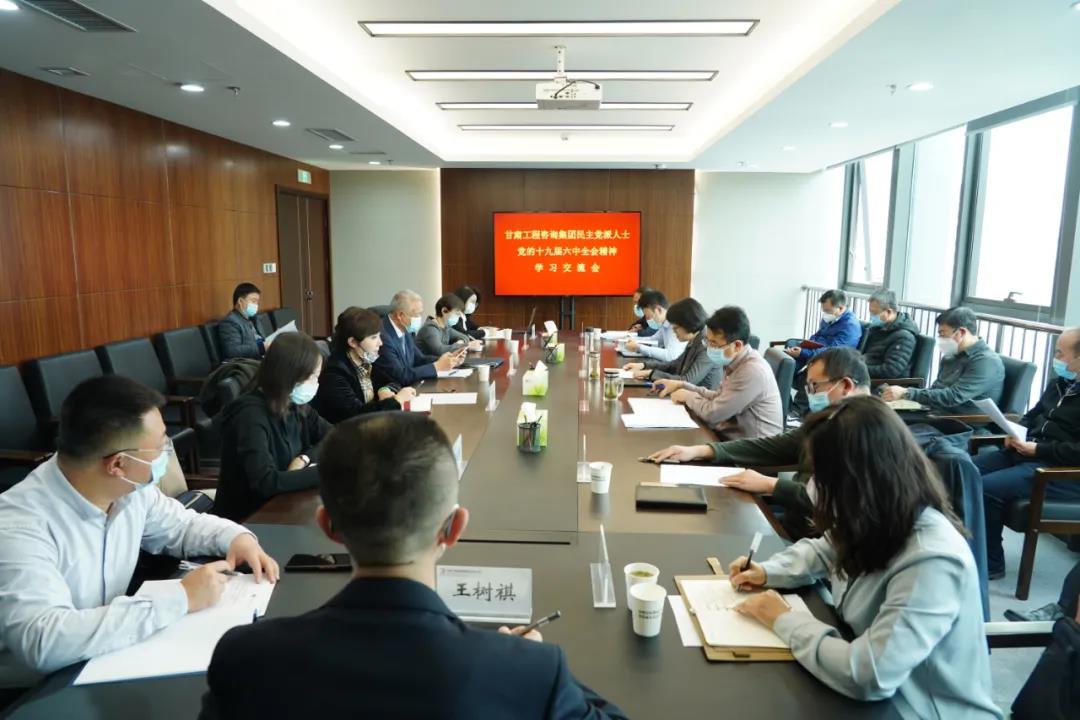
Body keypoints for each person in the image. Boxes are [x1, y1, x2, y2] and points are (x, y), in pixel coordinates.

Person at [200, 412, 627, 720]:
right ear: (454, 528)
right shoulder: (529, 672)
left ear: (328, 526)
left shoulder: (245, 658)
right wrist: (528, 662)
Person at [727, 396, 1000, 719]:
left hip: (917, 708)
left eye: (824, 476)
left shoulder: (932, 558)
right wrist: (768, 571)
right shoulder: (875, 514)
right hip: (866, 684)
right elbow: (824, 549)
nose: (814, 487)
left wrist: (782, 619)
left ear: (862, 478)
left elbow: (871, 675)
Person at [0, 376, 277, 689]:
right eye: (159, 447)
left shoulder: (130, 490)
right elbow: (43, 640)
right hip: (36, 691)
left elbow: (182, 526)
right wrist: (181, 598)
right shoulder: (19, 526)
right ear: (118, 464)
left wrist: (236, 537)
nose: (166, 453)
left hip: (107, 657)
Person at [648, 347, 871, 539]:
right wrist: (704, 450)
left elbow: (832, 503)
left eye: (814, 387)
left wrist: (770, 485)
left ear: (845, 386)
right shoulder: (830, 419)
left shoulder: (868, 435)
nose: (810, 395)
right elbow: (774, 446)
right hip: (794, 524)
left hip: (816, 542)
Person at [976, 327, 1080, 580]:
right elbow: (1032, 415)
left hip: (1059, 471)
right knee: (964, 469)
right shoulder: (1060, 384)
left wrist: (1039, 449)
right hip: (1028, 453)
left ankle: (991, 562)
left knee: (985, 488)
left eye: (1060, 353)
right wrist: (1014, 431)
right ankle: (970, 547)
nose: (1055, 358)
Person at [214, 332, 332, 521]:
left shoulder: (295, 404)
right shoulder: (249, 415)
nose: (316, 383)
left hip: (286, 506)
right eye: (312, 377)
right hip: (248, 519)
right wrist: (326, 473)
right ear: (290, 375)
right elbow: (265, 482)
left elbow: (334, 436)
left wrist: (304, 458)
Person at [653, 306, 782, 440]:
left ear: (737, 345)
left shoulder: (752, 370)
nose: (709, 348)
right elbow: (718, 396)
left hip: (753, 449)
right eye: (707, 341)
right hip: (732, 439)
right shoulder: (736, 361)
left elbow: (713, 414)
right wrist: (681, 385)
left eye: (714, 343)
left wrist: (688, 396)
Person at [881, 306, 1004, 415]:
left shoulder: (986, 362)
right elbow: (936, 390)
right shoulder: (951, 356)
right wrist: (904, 396)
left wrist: (907, 393)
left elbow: (953, 397)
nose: (940, 339)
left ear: (961, 332)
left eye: (943, 334)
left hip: (959, 423)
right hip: (934, 413)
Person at [312, 307, 416, 424]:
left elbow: (393, 382)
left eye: (379, 336)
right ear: (353, 342)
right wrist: (397, 400)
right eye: (373, 338)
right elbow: (357, 414)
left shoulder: (366, 362)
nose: (380, 343)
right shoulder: (334, 374)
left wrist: (384, 390)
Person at [622, 297, 720, 389]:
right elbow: (674, 365)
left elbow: (687, 380)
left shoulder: (708, 345)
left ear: (689, 324)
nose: (673, 331)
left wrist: (650, 373)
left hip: (700, 399)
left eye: (676, 328)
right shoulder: (695, 339)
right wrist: (644, 365)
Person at [374, 290, 462, 388]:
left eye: (421, 314)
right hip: (391, 392)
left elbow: (419, 359)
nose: (420, 318)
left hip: (410, 388)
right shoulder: (383, 337)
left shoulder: (404, 328)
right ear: (400, 315)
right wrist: (437, 366)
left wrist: (447, 360)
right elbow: (401, 376)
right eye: (417, 315)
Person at [785, 289, 862, 371]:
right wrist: (806, 344)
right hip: (820, 350)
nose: (825, 314)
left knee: (791, 361)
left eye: (828, 311)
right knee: (792, 346)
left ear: (840, 308)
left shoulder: (850, 326)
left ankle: (788, 375)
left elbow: (833, 351)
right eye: (824, 311)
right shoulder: (831, 317)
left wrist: (804, 352)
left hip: (831, 358)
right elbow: (819, 334)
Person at [861, 288, 919, 379]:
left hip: (884, 383)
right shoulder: (878, 328)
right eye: (871, 312)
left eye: (875, 313)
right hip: (867, 375)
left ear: (889, 312)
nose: (871, 317)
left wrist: (859, 369)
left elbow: (891, 370)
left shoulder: (904, 337)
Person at [623, 290, 686, 362]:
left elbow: (670, 356)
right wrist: (633, 340)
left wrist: (639, 347)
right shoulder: (665, 323)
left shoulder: (675, 324)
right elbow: (655, 339)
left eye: (650, 317)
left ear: (659, 310)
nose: (648, 320)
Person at [416, 293, 483, 357]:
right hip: (427, 364)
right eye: (456, 314)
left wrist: (460, 343)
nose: (458, 317)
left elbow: (465, 337)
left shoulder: (446, 327)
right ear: (444, 310)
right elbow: (440, 350)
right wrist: (467, 345)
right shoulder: (430, 329)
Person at [219, 282, 265, 360]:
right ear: (240, 301)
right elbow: (233, 351)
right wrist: (262, 347)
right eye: (253, 301)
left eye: (257, 302)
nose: (256, 305)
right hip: (249, 363)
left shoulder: (255, 319)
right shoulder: (230, 322)